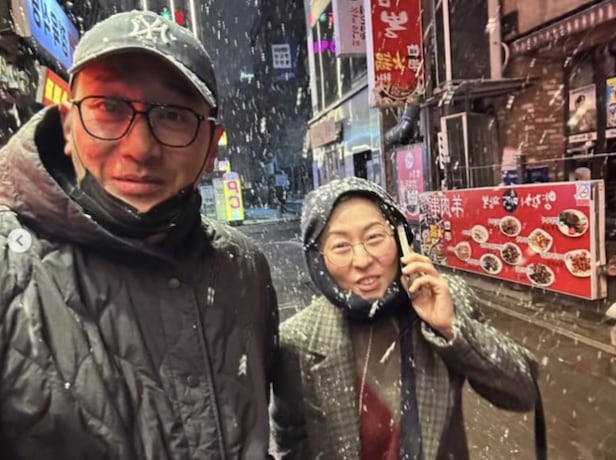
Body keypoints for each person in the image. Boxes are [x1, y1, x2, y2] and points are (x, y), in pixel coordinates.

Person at [0, 11, 278, 460]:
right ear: (68, 124)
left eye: (173, 115)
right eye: (110, 108)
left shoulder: (243, 269)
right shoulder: (9, 270)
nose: (140, 148)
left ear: (212, 145)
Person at [270, 176, 540, 460]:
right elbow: (293, 443)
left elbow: (522, 392)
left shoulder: (445, 298)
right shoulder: (297, 340)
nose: (362, 260)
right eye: (340, 246)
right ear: (317, 257)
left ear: (400, 237)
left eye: (374, 237)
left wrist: (451, 328)